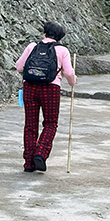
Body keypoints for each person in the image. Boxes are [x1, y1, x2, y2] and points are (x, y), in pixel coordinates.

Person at [15, 21, 76, 173]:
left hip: (30, 87)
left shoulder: (32, 46)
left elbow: (19, 67)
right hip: (51, 89)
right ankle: (41, 153)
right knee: (50, 123)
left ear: (44, 33)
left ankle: (28, 163)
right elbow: (68, 73)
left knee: (30, 125)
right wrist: (73, 82)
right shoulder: (62, 50)